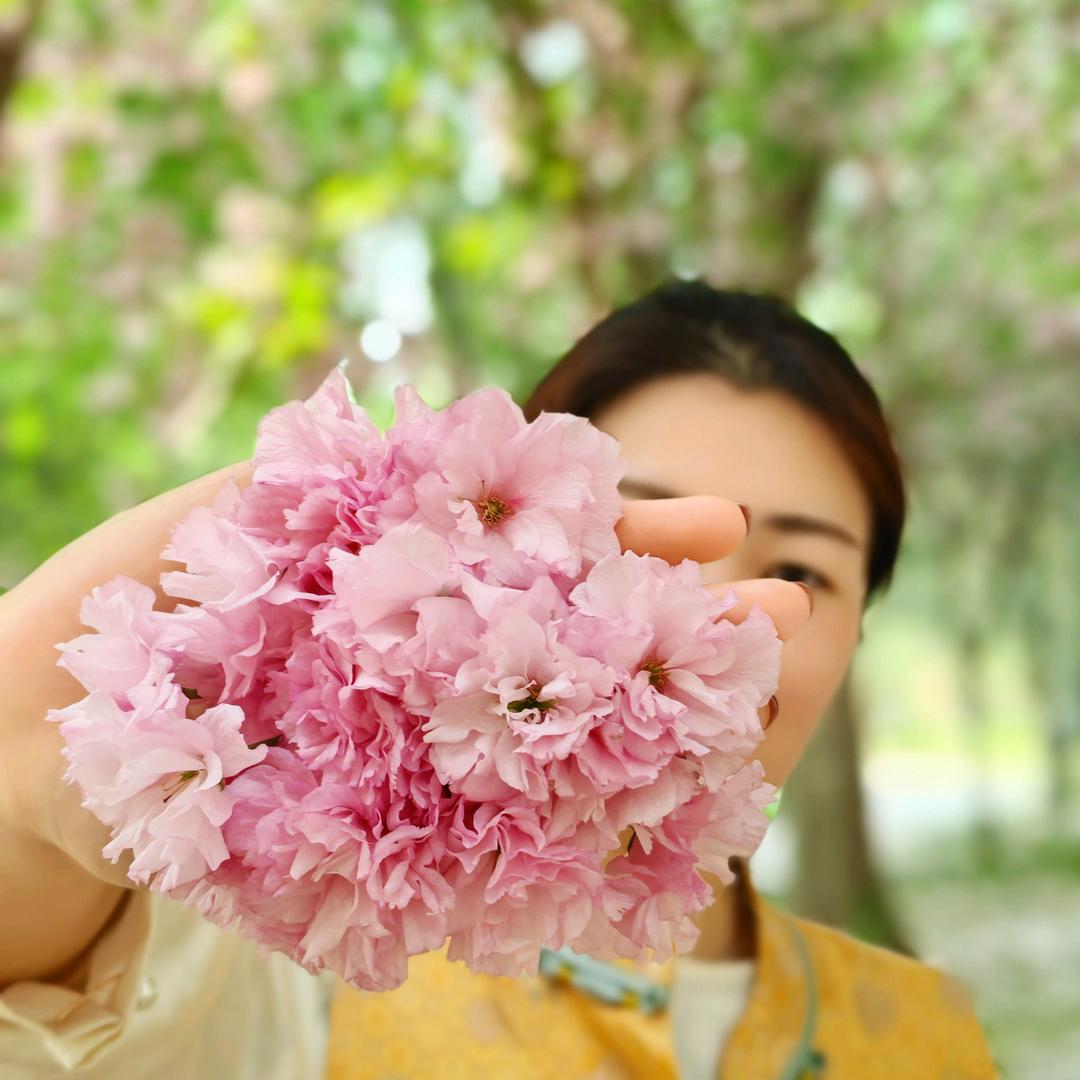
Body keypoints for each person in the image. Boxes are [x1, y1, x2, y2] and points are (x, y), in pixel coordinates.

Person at [0, 384, 801, 1074]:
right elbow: (115, 1045)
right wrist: (16, 825)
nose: (710, 587)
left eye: (805, 569)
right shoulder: (252, 896)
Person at [324, 281, 1000, 1079]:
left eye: (797, 573)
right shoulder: (313, 981)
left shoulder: (928, 1040)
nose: (712, 621)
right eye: (642, 540)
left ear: (859, 630)